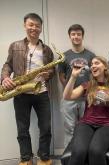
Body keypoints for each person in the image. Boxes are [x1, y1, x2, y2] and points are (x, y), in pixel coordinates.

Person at [1, 13, 54, 165]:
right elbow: (7, 65)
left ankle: (44, 157)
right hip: (21, 92)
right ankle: (26, 159)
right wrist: (5, 78)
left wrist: (48, 74)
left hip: (41, 92)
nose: (34, 28)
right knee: (22, 129)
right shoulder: (15, 46)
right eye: (31, 24)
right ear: (25, 25)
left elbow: (53, 70)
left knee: (45, 127)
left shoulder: (47, 49)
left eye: (37, 25)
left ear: (41, 28)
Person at [58, 24, 95, 147]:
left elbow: (94, 76)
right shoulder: (63, 56)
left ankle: (83, 155)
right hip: (69, 99)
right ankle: (69, 158)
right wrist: (71, 90)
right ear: (69, 36)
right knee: (70, 130)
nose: (76, 36)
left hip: (86, 98)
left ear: (82, 36)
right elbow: (61, 76)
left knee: (85, 129)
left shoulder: (91, 55)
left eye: (78, 34)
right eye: (73, 34)